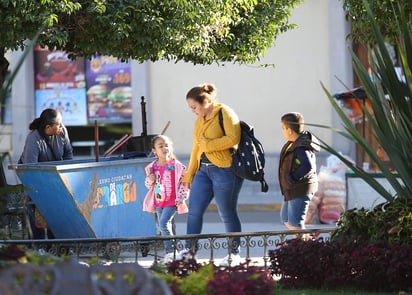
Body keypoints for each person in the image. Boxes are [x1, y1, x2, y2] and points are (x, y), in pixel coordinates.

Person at [178, 83, 244, 267]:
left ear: (205, 101)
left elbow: (233, 139)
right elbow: (195, 148)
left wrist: (208, 145)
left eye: (194, 107)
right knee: (194, 211)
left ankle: (234, 254)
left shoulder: (225, 113)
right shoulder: (199, 120)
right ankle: (189, 252)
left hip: (225, 170)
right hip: (203, 171)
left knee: (227, 213)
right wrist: (189, 174)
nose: (193, 111)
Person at [19, 108, 73, 239]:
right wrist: (28, 195)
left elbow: (68, 154)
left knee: (58, 218)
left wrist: (68, 179)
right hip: (37, 183)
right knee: (38, 219)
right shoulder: (33, 139)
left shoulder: (62, 131)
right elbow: (29, 169)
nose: (61, 127)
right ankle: (39, 248)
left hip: (56, 181)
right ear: (48, 127)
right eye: (58, 124)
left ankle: (58, 247)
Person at [143, 135, 189, 264]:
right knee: (164, 225)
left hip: (172, 201)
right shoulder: (152, 167)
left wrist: (181, 197)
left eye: (167, 145)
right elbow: (148, 185)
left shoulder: (177, 166)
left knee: (163, 224)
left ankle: (171, 252)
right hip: (159, 202)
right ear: (154, 151)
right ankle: (171, 252)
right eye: (160, 146)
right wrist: (150, 179)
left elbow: (185, 183)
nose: (164, 148)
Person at [278, 112, 320, 238]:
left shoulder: (301, 146)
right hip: (291, 189)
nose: (283, 131)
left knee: (296, 223)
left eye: (283, 128)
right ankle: (308, 239)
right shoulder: (293, 142)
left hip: (300, 188)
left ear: (289, 130)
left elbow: (307, 166)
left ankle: (303, 249)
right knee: (285, 218)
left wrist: (293, 178)